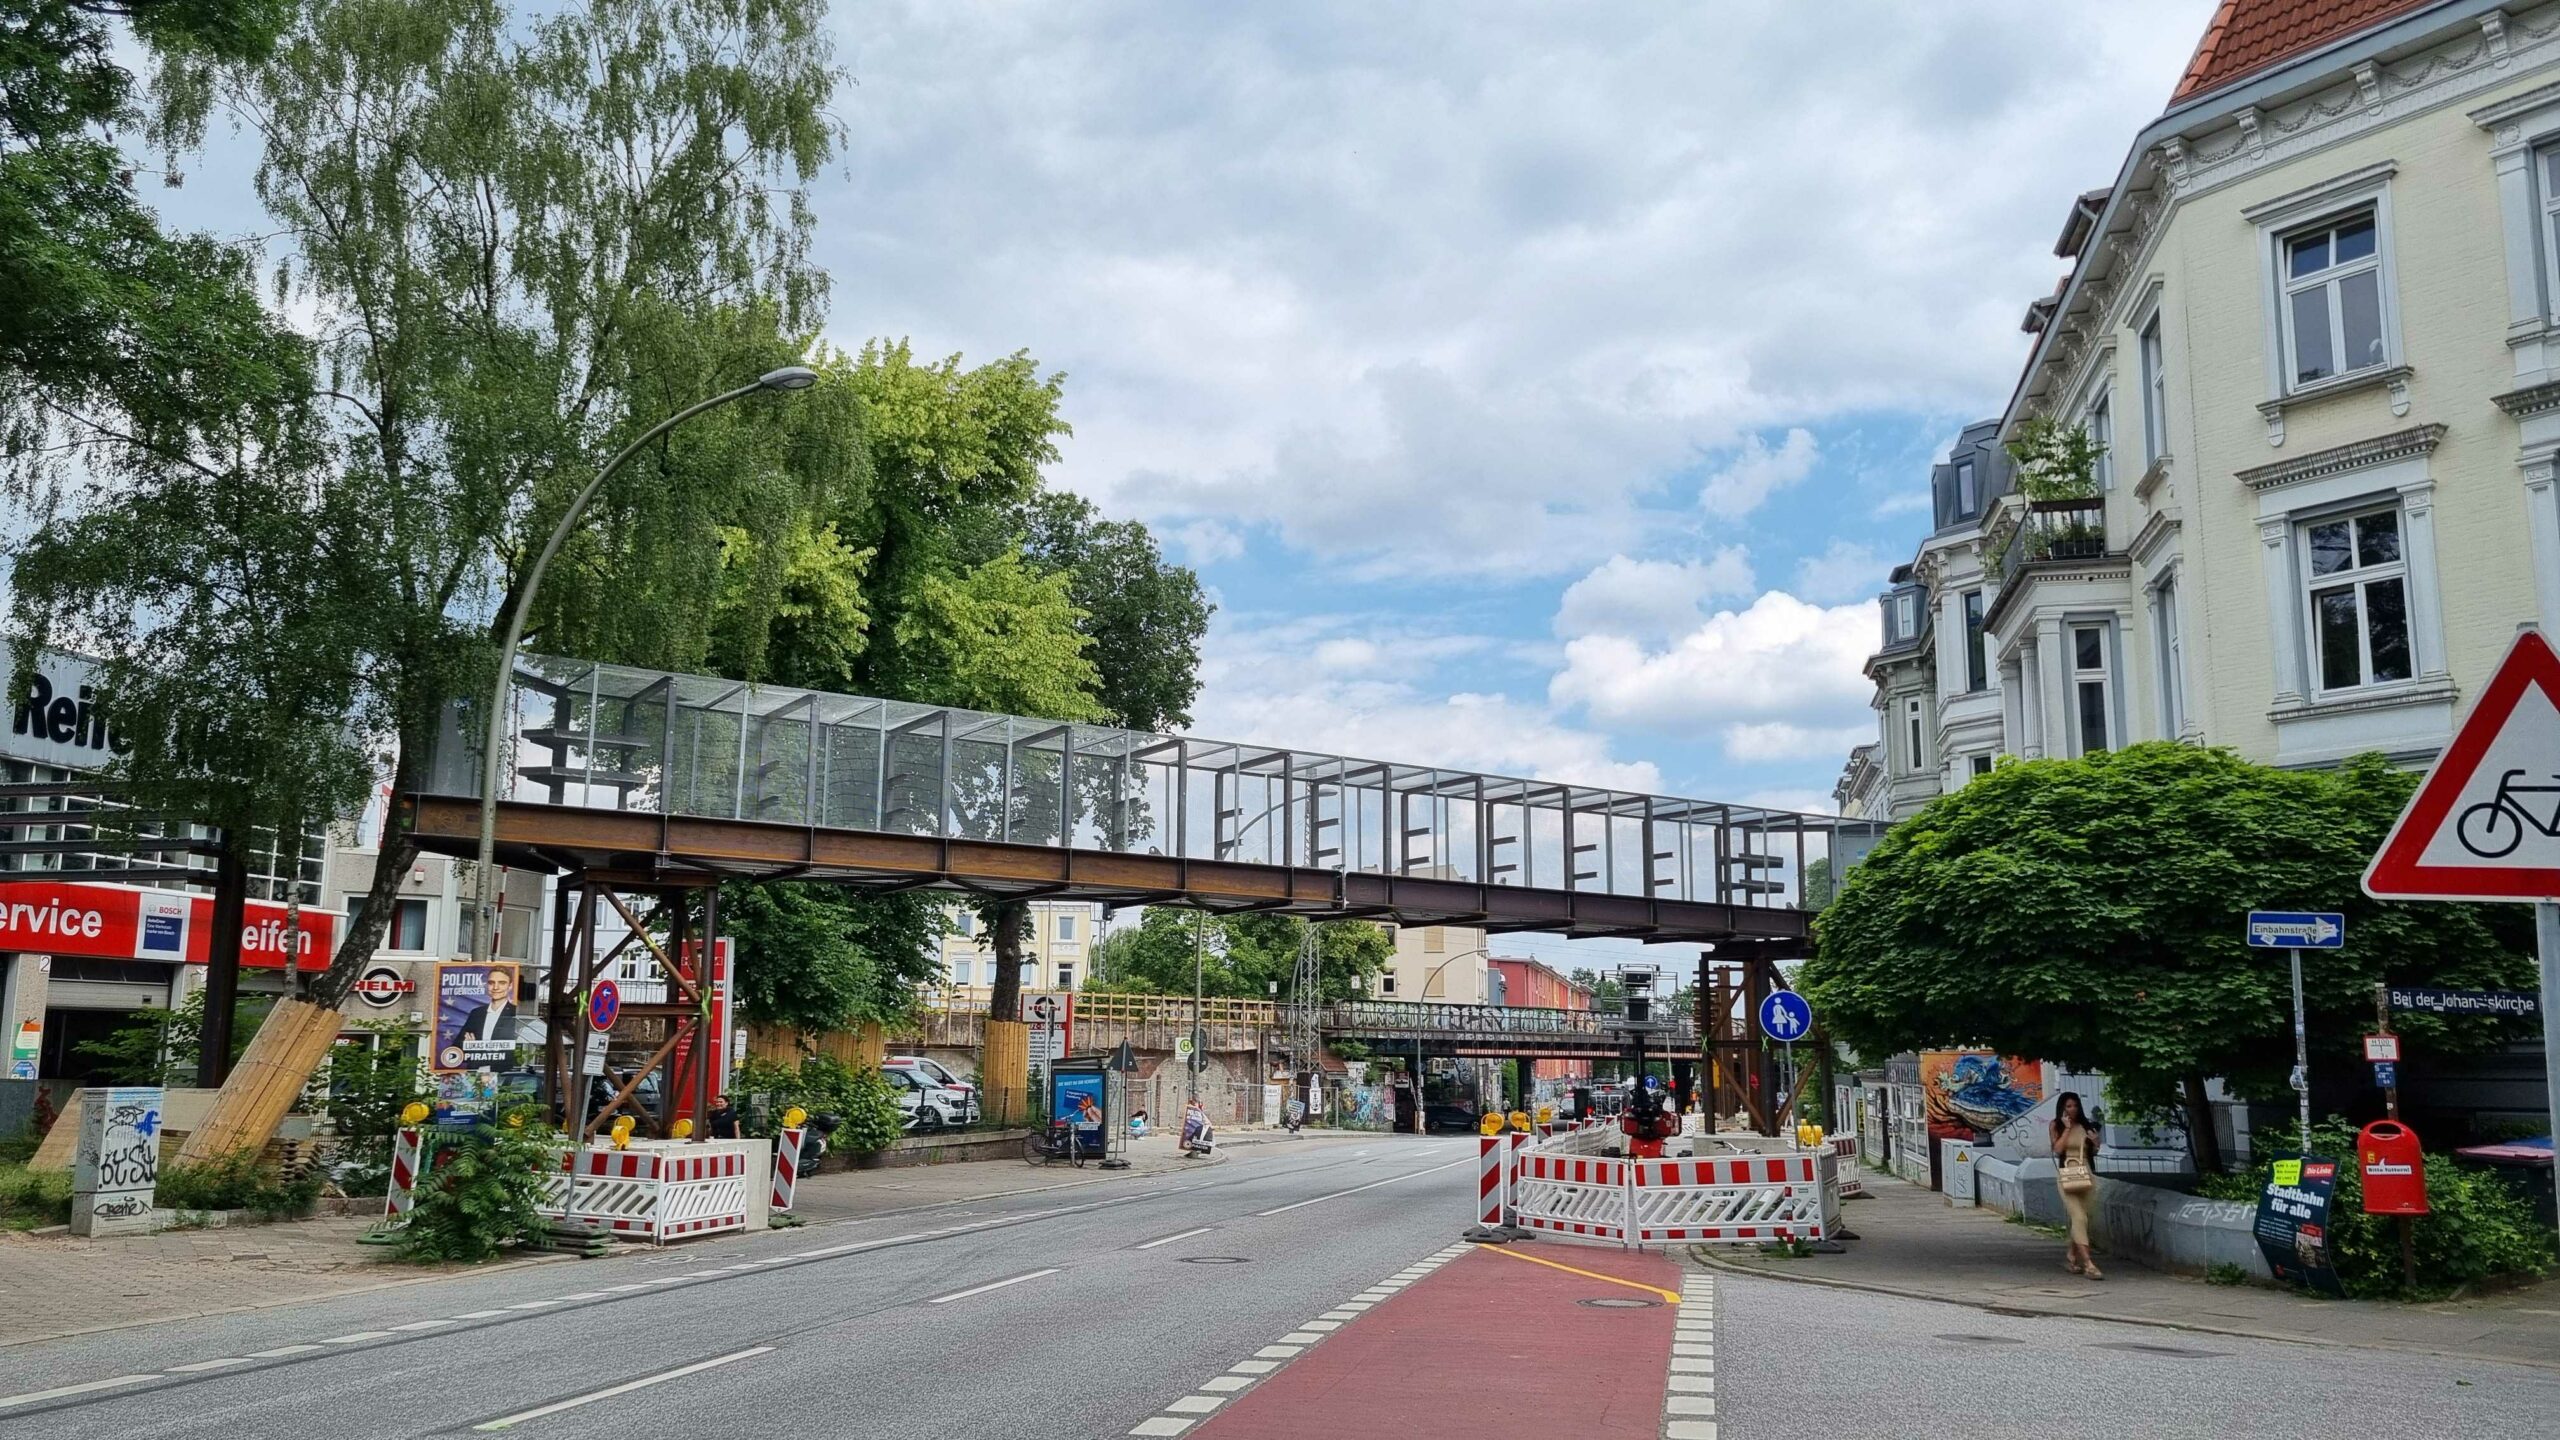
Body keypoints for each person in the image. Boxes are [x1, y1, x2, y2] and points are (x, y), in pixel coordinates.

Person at [2050, 1090, 2104, 1280]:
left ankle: (2072, 1255)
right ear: (2062, 1109)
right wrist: (2066, 1128)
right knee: (2078, 1217)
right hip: (2067, 1174)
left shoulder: (2085, 1125)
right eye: (2068, 1106)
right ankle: (2089, 1264)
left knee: (2085, 1217)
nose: (2072, 1109)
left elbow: (2093, 1151)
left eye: (2075, 1106)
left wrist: (2096, 1143)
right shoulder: (2056, 1125)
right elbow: (2057, 1149)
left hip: (2086, 1172)